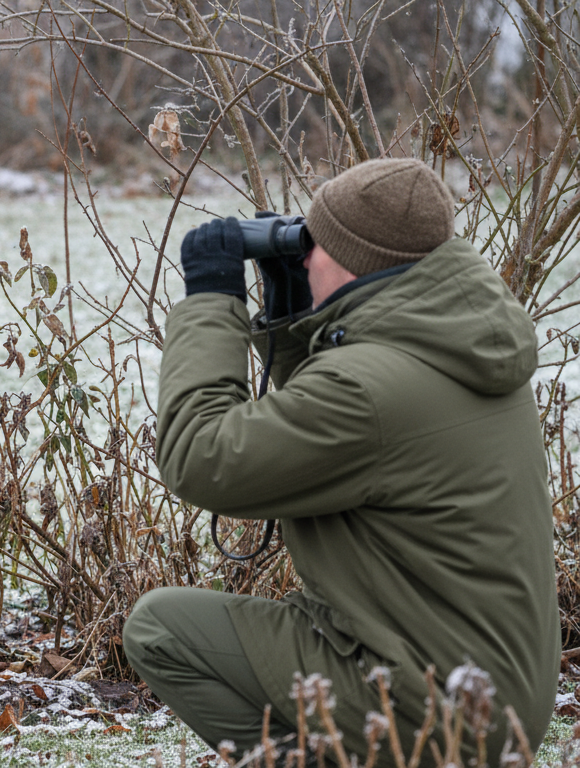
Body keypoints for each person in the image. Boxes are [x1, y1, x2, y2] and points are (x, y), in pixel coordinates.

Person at [123, 158, 560, 764]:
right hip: (492, 696)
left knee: (161, 628)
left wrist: (211, 299)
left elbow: (201, 457)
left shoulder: (368, 390)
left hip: (433, 706)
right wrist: (294, 319)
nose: (304, 258)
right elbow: (341, 437)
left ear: (354, 261)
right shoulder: (459, 344)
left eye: (315, 245)